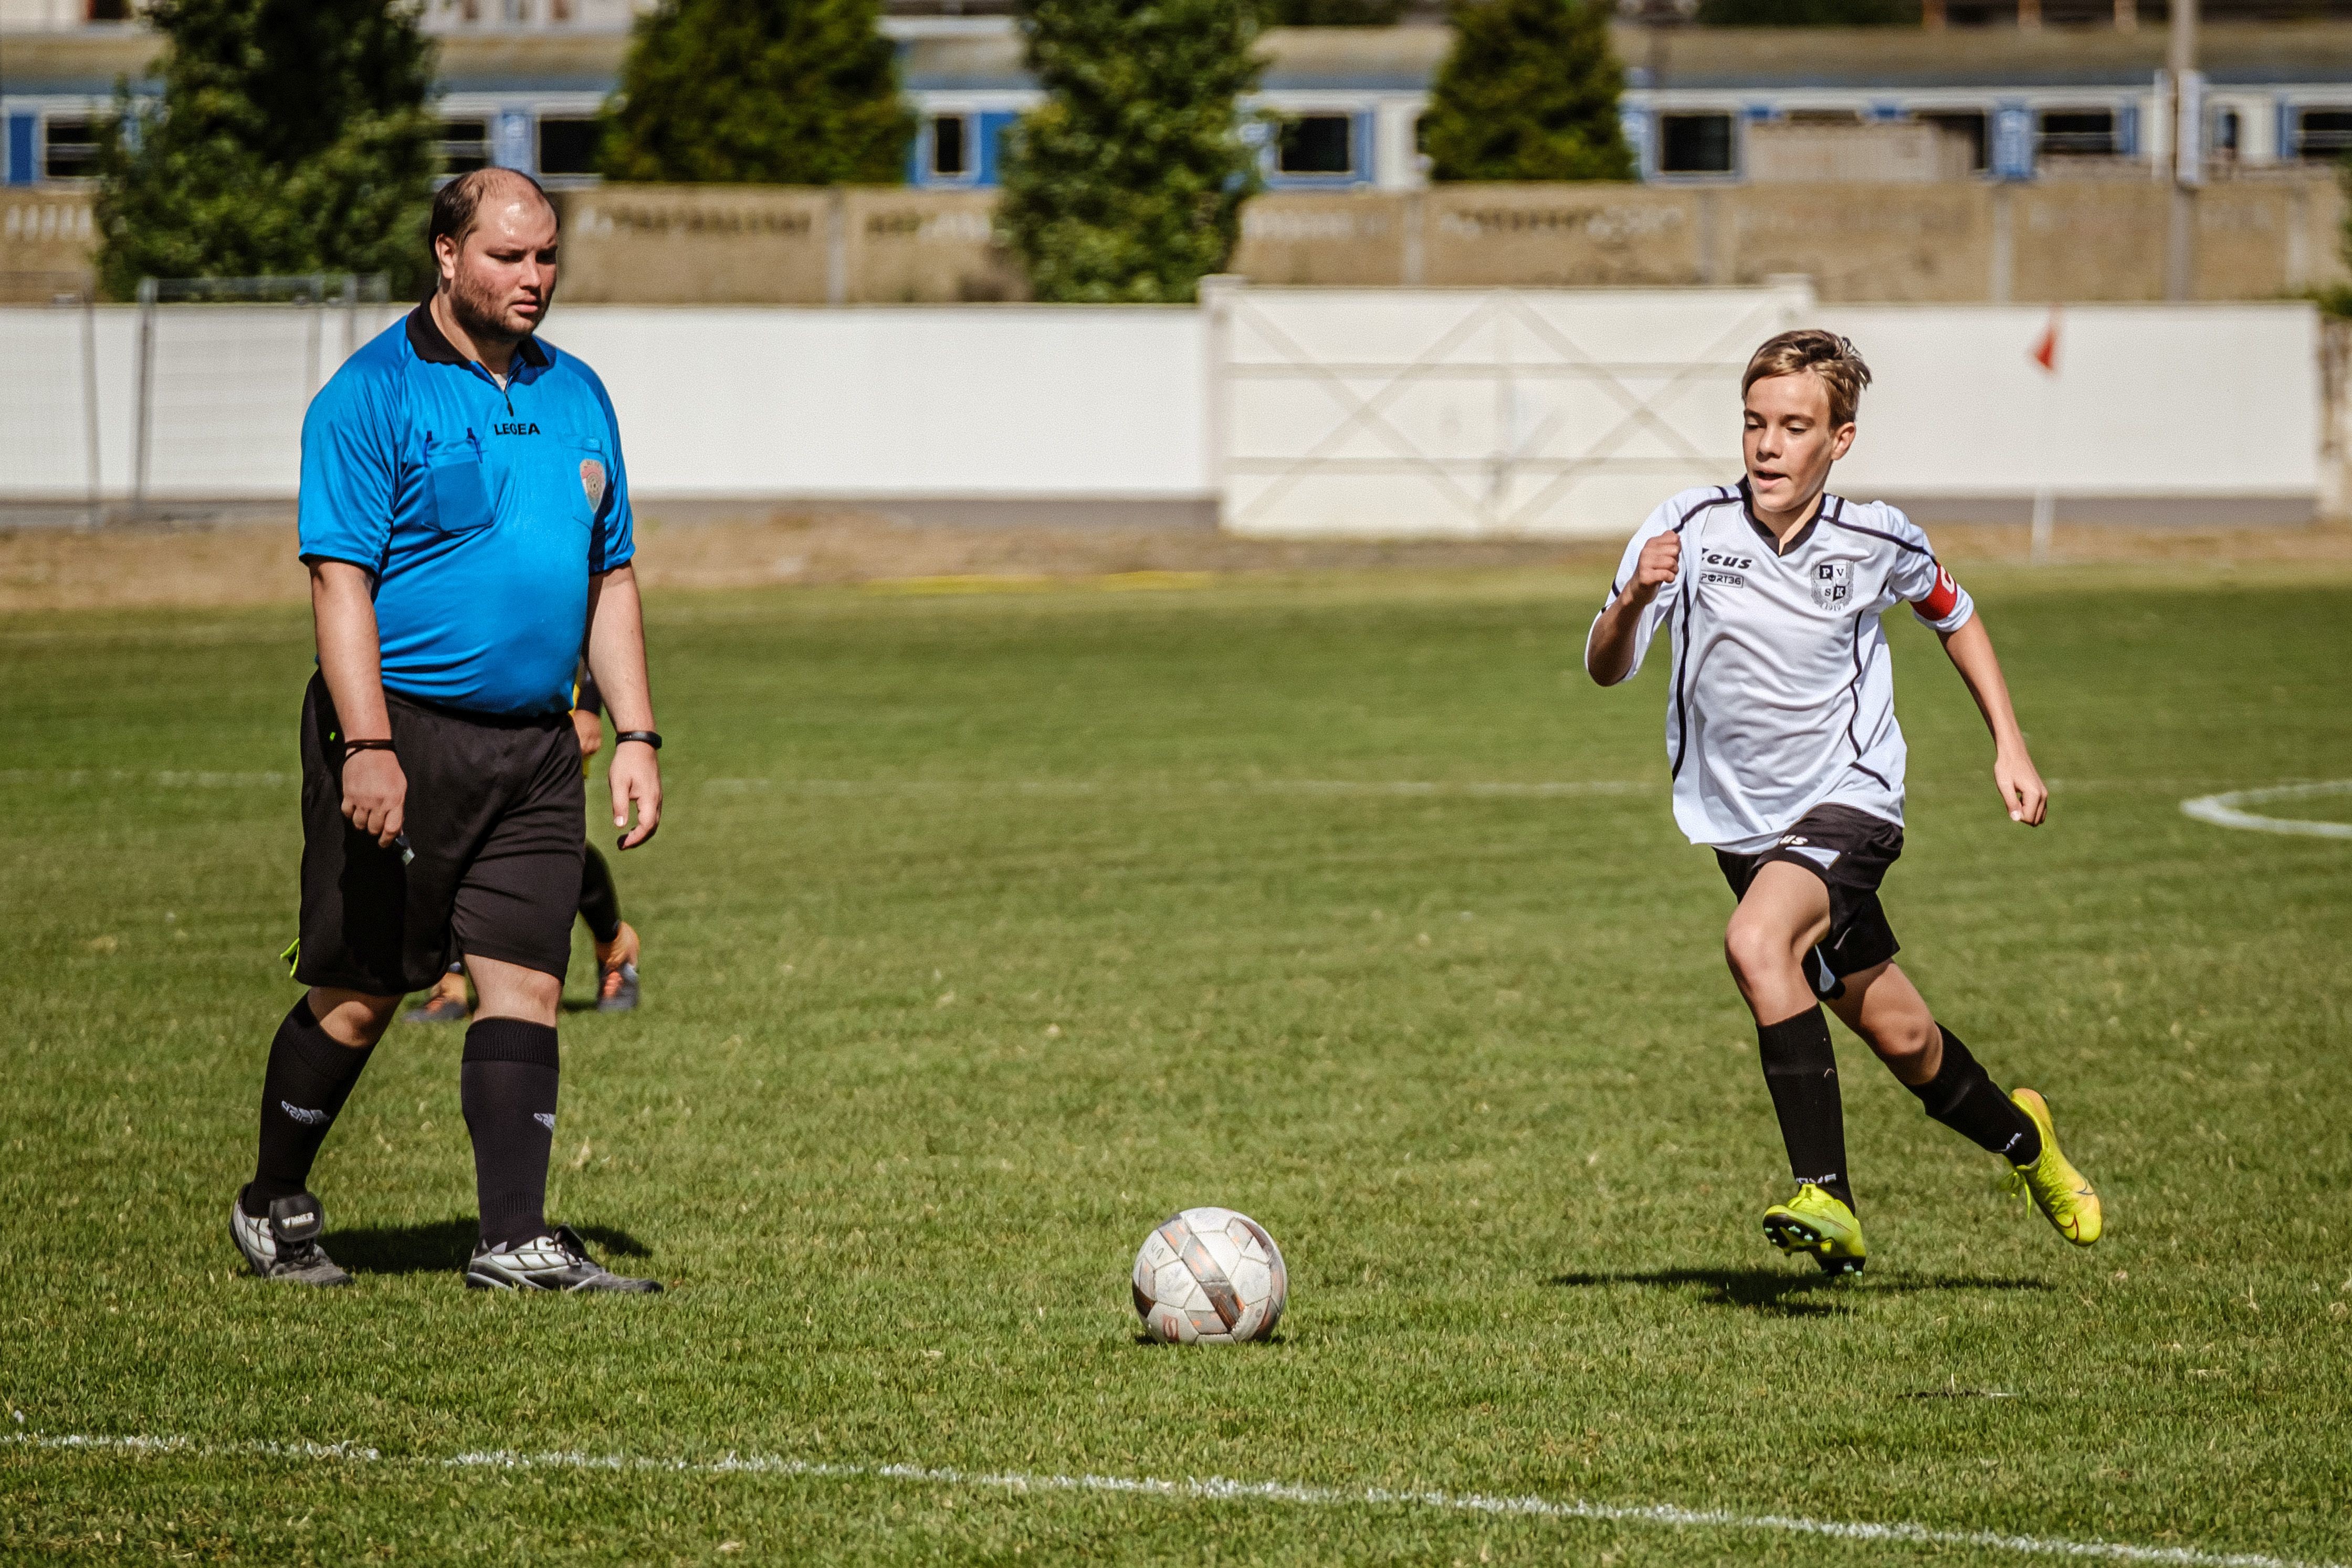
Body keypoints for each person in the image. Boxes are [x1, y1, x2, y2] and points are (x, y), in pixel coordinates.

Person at [1583, 329, 2102, 1276]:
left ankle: (1827, 1194)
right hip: (1741, 828)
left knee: (1755, 943)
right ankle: (2031, 1146)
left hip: (1851, 804)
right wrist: (1629, 601)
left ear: (1841, 439)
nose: (1768, 446)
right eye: (1754, 424)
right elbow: (1605, 668)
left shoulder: (1878, 537)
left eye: (1794, 426)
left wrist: (2011, 745)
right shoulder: (1685, 526)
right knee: (1904, 1036)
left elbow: (1955, 613)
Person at [230, 167, 664, 1292]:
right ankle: (273, 1198)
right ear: (445, 254)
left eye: (547, 255)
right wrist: (367, 745)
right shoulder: (369, 395)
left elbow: (608, 575)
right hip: (402, 738)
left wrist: (636, 733)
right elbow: (340, 585)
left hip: (534, 746)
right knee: (363, 992)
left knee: (523, 977)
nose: (534, 278)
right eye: (509, 257)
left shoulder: (579, 392)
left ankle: (512, 1236)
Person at [406, 657, 642, 1024]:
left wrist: (591, 707)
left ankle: (614, 945)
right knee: (447, 842)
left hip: (546, 706)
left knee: (556, 847)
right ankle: (448, 980)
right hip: (458, 706)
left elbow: (595, 610)